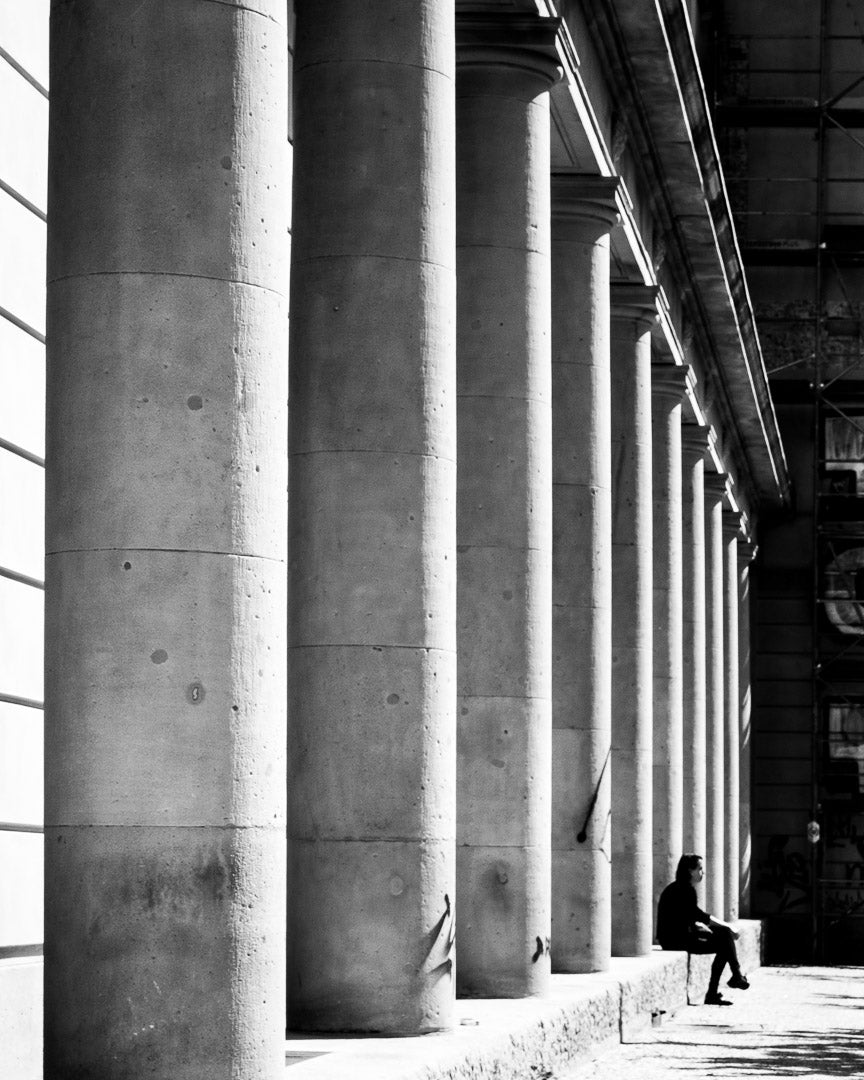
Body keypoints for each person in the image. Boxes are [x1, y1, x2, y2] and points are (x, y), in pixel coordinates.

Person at [657, 853, 749, 1006]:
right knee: (724, 940)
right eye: (699, 869)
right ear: (689, 870)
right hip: (675, 941)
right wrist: (728, 926)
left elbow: (690, 917)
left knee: (724, 937)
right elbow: (699, 915)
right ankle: (729, 981)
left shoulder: (681, 888)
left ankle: (733, 977)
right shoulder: (684, 889)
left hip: (680, 936)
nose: (702, 873)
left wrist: (705, 927)